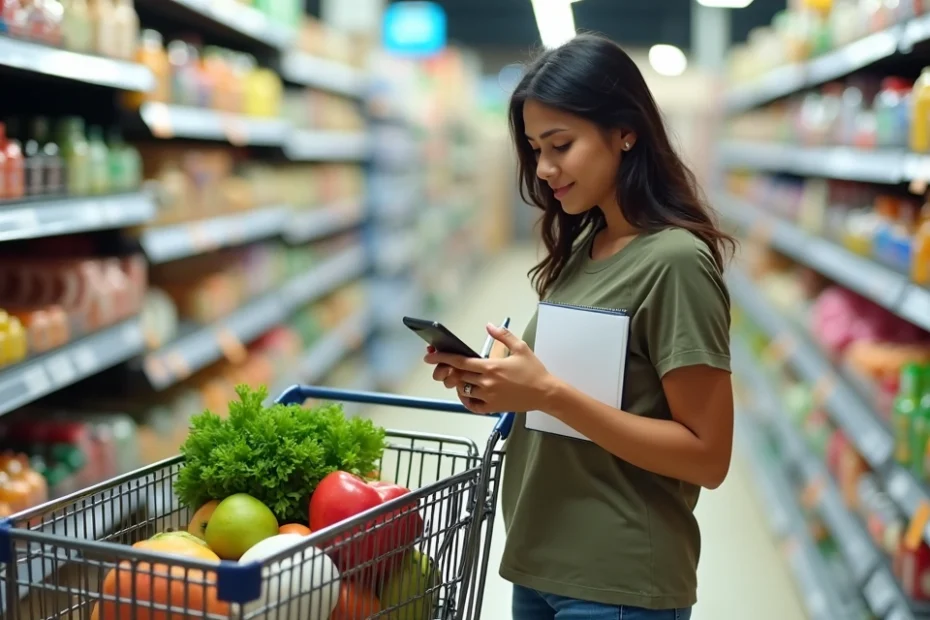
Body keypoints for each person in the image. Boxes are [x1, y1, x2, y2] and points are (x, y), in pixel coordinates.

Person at [424, 34, 735, 620]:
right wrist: (502, 391)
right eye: (536, 148)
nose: (543, 169)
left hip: (616, 577)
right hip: (540, 559)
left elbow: (707, 456)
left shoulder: (674, 262)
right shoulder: (587, 243)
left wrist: (548, 393)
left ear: (625, 130)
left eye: (560, 145)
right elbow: (576, 404)